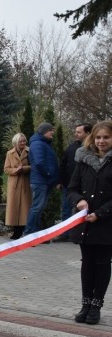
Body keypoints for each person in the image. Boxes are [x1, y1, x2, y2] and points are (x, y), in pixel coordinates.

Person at [67, 120, 112, 324]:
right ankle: (85, 303)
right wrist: (79, 201)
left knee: (102, 263)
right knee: (87, 264)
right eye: (98, 137)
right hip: (85, 222)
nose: (101, 141)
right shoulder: (83, 160)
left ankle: (96, 305)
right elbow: (72, 188)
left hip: (106, 223)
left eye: (106, 137)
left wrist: (101, 213)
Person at [56, 122, 93, 242]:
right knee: (66, 209)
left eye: (79, 132)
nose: (75, 134)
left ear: (87, 133)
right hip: (69, 185)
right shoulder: (71, 147)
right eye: (76, 131)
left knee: (85, 210)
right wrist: (60, 181)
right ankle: (65, 234)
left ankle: (83, 234)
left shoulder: (94, 149)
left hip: (87, 186)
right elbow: (63, 164)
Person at [23, 122, 60, 237]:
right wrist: (49, 173)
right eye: (50, 130)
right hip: (40, 181)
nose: (52, 132)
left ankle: (36, 235)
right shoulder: (38, 144)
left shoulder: (43, 143)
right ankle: (28, 233)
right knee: (37, 208)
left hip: (44, 181)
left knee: (39, 208)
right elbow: (39, 163)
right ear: (43, 131)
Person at [3, 133, 32, 240]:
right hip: (14, 184)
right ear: (15, 142)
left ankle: (24, 231)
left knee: (25, 207)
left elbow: (34, 165)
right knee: (14, 208)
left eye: (24, 141)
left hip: (25, 182)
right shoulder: (9, 153)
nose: (23, 143)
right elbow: (6, 169)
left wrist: (24, 169)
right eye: (21, 141)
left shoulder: (30, 152)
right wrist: (16, 170)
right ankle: (16, 232)